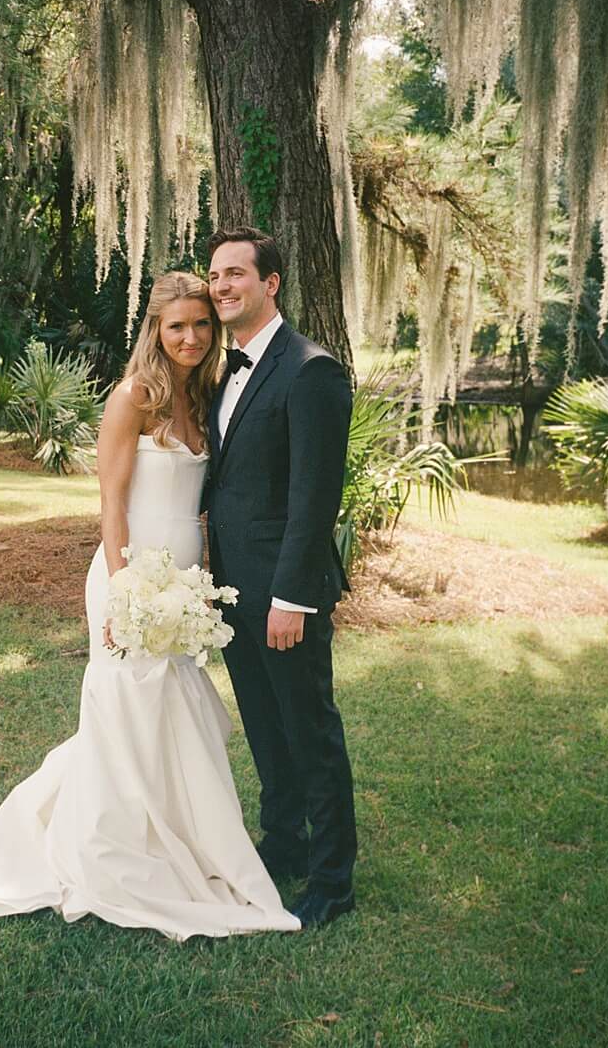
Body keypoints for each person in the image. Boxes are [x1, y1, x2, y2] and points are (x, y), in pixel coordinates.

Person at [0, 271, 300, 940]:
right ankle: (115, 849)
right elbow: (110, 499)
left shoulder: (208, 396)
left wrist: (203, 578)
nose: (190, 337)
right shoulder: (133, 396)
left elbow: (205, 502)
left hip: (186, 583)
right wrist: (126, 583)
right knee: (127, 710)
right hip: (131, 575)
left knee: (175, 713)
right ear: (155, 331)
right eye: (176, 326)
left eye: (200, 324)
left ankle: (181, 843)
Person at [203, 226, 356, 929]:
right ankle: (282, 843)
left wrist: (291, 596)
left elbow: (313, 498)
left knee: (309, 729)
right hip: (235, 588)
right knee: (265, 727)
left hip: (284, 591)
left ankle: (332, 879)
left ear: (271, 283)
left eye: (237, 272)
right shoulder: (222, 367)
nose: (223, 285)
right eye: (215, 275)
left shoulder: (310, 369)